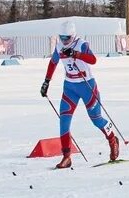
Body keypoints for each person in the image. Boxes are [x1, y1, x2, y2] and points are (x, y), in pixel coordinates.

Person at [39, 20, 118, 168]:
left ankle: (113, 139)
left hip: (87, 86)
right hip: (70, 87)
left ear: (73, 36)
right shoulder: (59, 45)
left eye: (67, 38)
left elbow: (93, 60)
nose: (64, 41)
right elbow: (53, 62)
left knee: (96, 119)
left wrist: (76, 54)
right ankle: (66, 156)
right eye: (61, 37)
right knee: (64, 120)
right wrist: (46, 82)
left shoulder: (81, 44)